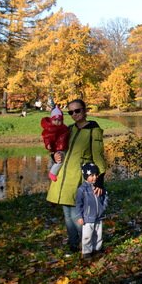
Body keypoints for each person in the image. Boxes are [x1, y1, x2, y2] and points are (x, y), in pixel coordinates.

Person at [46, 99, 107, 253]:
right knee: (67, 215)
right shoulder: (69, 129)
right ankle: (73, 245)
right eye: (71, 112)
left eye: (77, 110)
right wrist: (54, 156)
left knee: (76, 215)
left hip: (79, 178)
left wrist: (99, 181)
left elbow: (98, 156)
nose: (74, 114)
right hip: (63, 178)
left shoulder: (93, 130)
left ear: (85, 110)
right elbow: (59, 148)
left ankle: (88, 244)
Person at [75, 162, 108, 259]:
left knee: (98, 234)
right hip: (87, 217)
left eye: (96, 175)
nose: (94, 177)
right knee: (87, 235)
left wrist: (103, 207)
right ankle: (86, 251)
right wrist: (79, 216)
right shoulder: (82, 189)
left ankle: (97, 249)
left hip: (99, 216)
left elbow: (105, 196)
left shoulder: (99, 187)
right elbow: (78, 204)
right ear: (86, 176)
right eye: (91, 175)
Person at [41, 106, 69, 181]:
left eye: (59, 120)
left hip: (63, 147)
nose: (57, 122)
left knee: (63, 158)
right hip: (57, 148)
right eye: (55, 120)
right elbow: (47, 137)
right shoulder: (50, 129)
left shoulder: (64, 128)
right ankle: (52, 173)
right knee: (60, 160)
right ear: (51, 120)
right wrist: (48, 144)